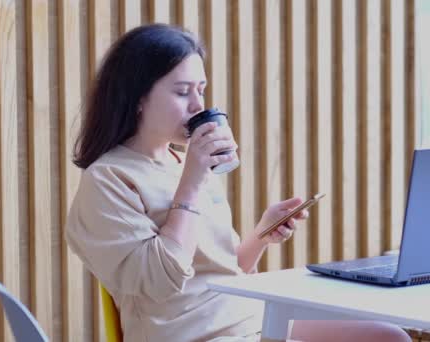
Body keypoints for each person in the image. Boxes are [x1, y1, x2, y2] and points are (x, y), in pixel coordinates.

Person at [65, 24, 411, 342]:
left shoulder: (185, 164)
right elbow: (160, 282)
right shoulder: (109, 179)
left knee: (387, 336)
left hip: (245, 315)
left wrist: (261, 234)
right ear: (138, 98)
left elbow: (225, 273)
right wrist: (192, 182)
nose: (198, 105)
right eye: (183, 92)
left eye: (201, 90)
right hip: (191, 334)